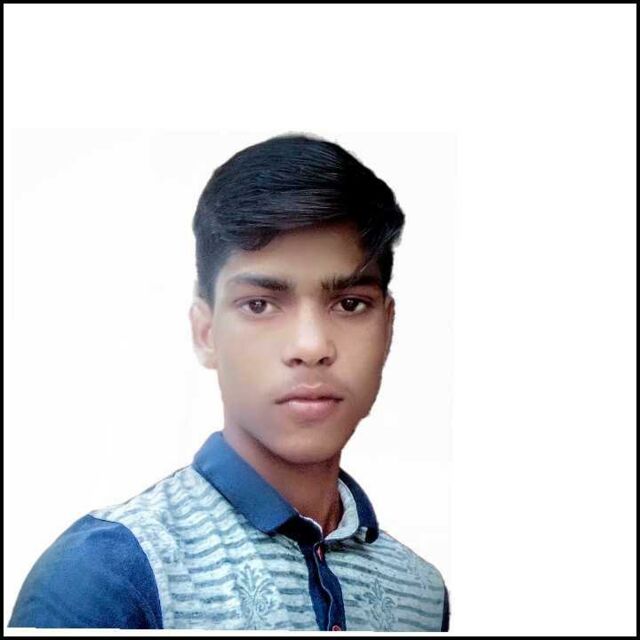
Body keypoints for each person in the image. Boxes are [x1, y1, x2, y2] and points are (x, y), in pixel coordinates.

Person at [9, 133, 450, 631]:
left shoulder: (422, 591)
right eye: (259, 304)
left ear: (388, 328)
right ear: (206, 333)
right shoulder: (107, 574)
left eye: (350, 304)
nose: (311, 346)